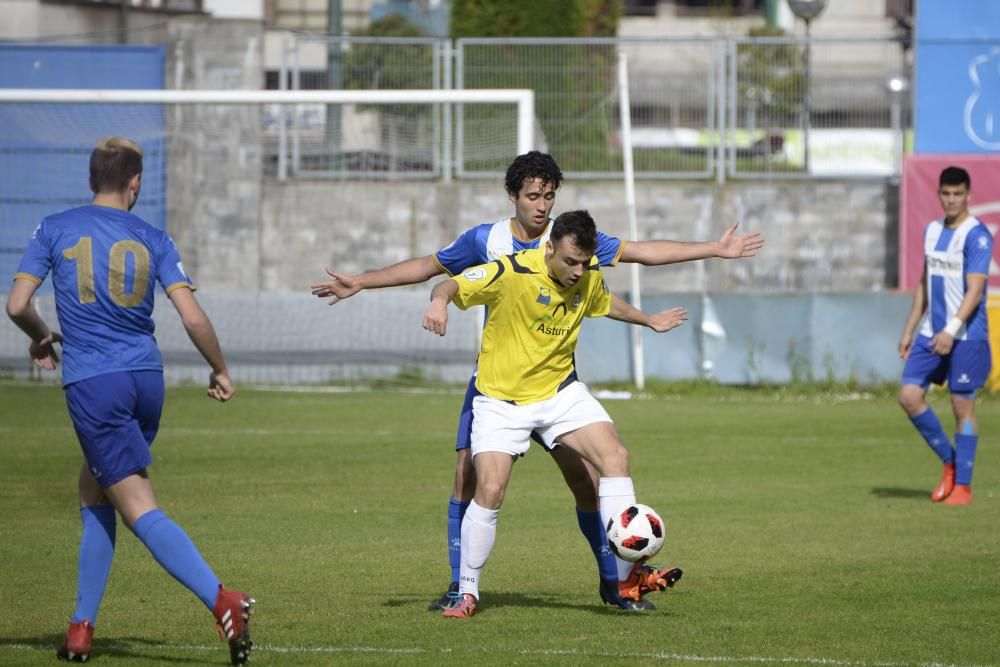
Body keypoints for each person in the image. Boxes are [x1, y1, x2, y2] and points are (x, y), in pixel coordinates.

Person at [311, 151, 764, 610]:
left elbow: (641, 255)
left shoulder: (572, 241)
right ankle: (460, 586)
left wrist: (712, 250)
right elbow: (431, 268)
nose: (542, 205)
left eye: (549, 195)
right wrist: (364, 282)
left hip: (555, 383)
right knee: (470, 478)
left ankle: (617, 581)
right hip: (498, 382)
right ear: (513, 196)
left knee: (588, 481)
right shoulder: (487, 242)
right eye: (532, 196)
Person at [5, 137, 255, 664]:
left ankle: (223, 600)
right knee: (94, 489)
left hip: (96, 383)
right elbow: (191, 316)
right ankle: (80, 628)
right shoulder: (154, 237)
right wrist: (220, 367)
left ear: (91, 176)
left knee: (138, 505)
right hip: (147, 380)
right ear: (135, 182)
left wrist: (42, 335)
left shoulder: (54, 228)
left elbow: (17, 304)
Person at [421, 209, 674, 617]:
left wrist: (648, 321)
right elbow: (447, 284)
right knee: (490, 490)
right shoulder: (511, 271)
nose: (578, 272)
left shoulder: (587, 274)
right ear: (550, 247)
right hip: (502, 400)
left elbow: (605, 303)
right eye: (571, 261)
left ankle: (625, 578)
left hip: (559, 394)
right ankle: (467, 591)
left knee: (615, 457)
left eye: (585, 263)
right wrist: (438, 304)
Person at [897, 166, 993, 506]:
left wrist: (951, 330)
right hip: (929, 332)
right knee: (908, 396)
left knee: (960, 405)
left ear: (968, 195)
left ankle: (963, 486)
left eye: (958, 194)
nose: (951, 200)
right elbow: (925, 283)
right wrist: (909, 329)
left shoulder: (977, 235)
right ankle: (950, 462)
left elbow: (976, 289)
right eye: (946, 194)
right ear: (939, 194)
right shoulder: (931, 231)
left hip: (966, 335)